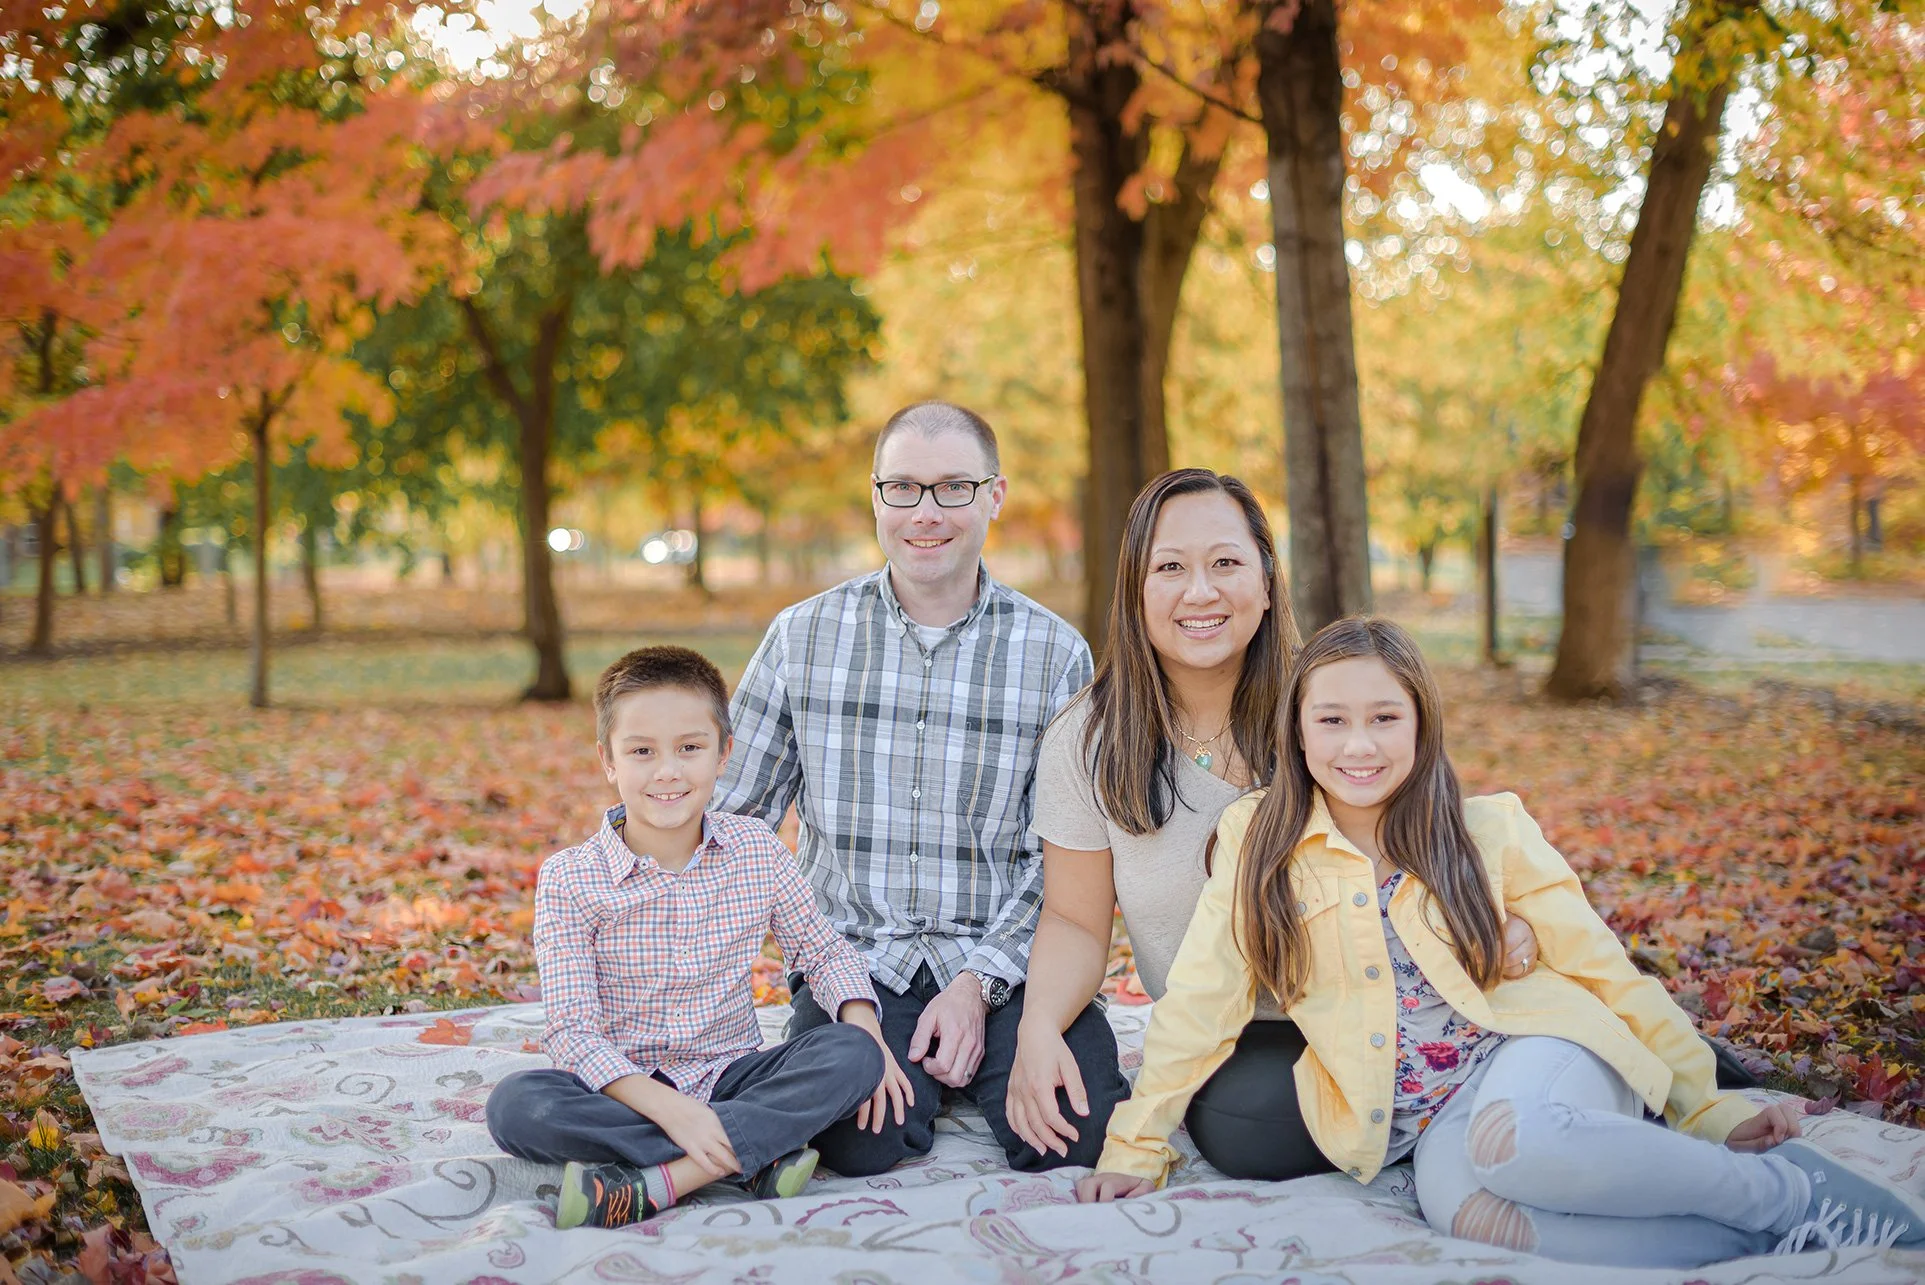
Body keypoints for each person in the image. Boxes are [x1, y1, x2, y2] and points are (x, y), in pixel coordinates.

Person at [1078, 616, 1925, 1268]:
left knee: (1514, 1142)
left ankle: (1778, 1189)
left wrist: (1703, 1104)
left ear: (1420, 724)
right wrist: (1136, 1142)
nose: (1358, 744)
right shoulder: (1259, 842)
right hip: (1425, 1112)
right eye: (1331, 719)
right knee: (1474, 1216)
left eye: (1383, 716)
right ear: (1297, 732)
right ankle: (1776, 1238)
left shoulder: (1487, 831)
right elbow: (1200, 996)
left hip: (1538, 1050)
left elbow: (1604, 969)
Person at [1010, 470, 1539, 1175]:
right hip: (1242, 1033)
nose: (1200, 591)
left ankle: (1541, 1082)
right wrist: (1039, 1024)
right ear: (1135, 588)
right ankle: (1462, 1102)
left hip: (1391, 997)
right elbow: (1075, 919)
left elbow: (1432, 835)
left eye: (1225, 563)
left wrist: (1504, 916)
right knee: (1243, 1123)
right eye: (1170, 567)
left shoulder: (1326, 701)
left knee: (1566, 1025)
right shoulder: (1087, 740)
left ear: (1265, 580)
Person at [713, 400, 1128, 1176]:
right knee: (855, 1141)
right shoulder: (801, 637)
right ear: (875, 496)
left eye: (952, 489)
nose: (925, 513)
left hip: (1007, 964)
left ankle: (978, 1059)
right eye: (902, 488)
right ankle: (925, 1076)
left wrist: (977, 984)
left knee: (1076, 1131)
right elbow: (733, 822)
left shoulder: (1054, 655)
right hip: (858, 965)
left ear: (993, 496)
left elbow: (1064, 857)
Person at [486, 646, 912, 1229]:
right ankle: (751, 1158)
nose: (668, 771)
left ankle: (661, 1181)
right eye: (641, 752)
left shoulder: (755, 849)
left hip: (733, 1074)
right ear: (608, 761)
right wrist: (673, 1112)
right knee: (516, 1107)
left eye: (690, 748)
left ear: (723, 753)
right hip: (626, 1089)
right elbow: (572, 1031)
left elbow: (823, 951)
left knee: (852, 1052)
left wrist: (870, 1033)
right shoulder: (570, 877)